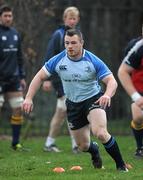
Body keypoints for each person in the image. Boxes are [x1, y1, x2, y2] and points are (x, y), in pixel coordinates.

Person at [22, 29, 128, 171]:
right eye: (67, 43)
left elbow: (112, 81)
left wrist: (107, 95)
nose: (69, 46)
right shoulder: (58, 60)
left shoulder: (92, 60)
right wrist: (28, 98)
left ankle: (121, 166)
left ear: (81, 43)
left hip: (93, 99)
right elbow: (39, 77)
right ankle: (94, 151)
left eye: (73, 43)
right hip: (72, 104)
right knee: (83, 146)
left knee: (100, 133)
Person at [42, 6, 80, 153]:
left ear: (77, 20)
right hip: (60, 80)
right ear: (64, 19)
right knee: (69, 111)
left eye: (74, 18)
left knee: (62, 112)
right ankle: (75, 145)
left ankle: (50, 143)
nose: (72, 20)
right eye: (69, 18)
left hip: (73, 80)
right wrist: (47, 79)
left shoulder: (77, 36)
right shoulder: (58, 35)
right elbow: (49, 56)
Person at [0, 4, 26, 150]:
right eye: (5, 16)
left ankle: (15, 143)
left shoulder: (15, 33)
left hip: (13, 78)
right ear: (0, 17)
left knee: (18, 107)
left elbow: (19, 57)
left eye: (10, 16)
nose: (8, 18)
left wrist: (22, 76)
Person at [118, 26, 143, 158]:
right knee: (138, 118)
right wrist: (136, 96)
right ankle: (140, 147)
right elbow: (123, 71)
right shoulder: (138, 46)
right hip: (140, 89)